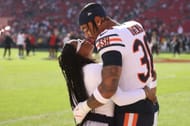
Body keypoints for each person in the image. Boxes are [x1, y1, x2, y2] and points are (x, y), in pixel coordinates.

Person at [74, 2, 159, 126]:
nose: (86, 35)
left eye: (86, 29)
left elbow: (109, 88)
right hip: (151, 108)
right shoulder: (135, 25)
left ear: (98, 20)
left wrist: (83, 108)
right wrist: (150, 91)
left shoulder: (106, 37)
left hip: (132, 112)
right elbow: (152, 70)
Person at [58, 39, 156, 126]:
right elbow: (120, 99)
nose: (83, 40)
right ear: (77, 55)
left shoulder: (77, 77)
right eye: (79, 43)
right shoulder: (95, 69)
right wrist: (145, 93)